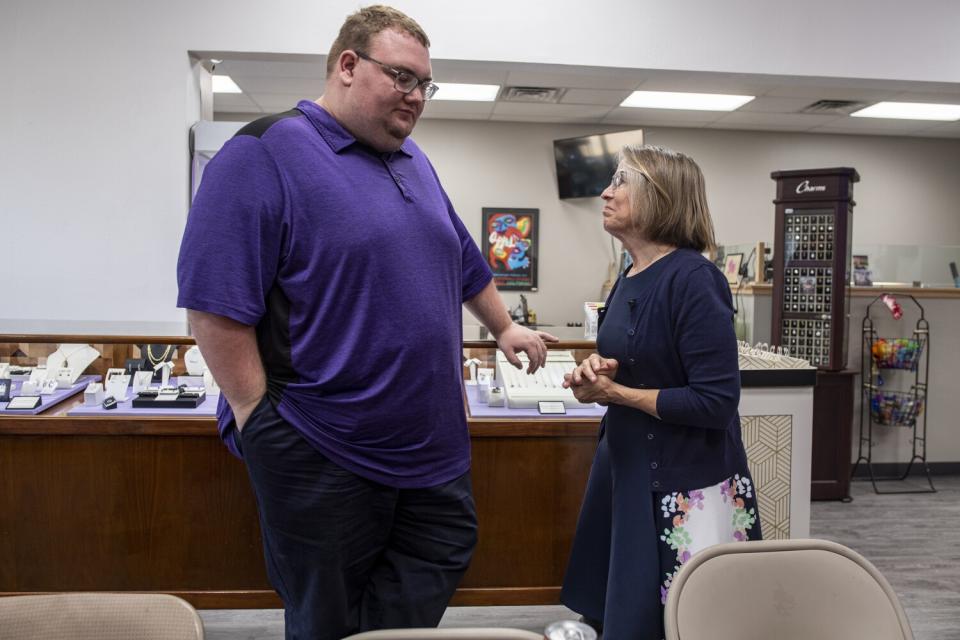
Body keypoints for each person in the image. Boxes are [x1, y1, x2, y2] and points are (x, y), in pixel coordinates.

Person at [176, 6, 556, 639]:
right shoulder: (262, 153)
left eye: (424, 85)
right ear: (347, 65)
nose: (416, 98)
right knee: (326, 615)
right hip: (321, 442)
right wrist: (254, 415)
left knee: (432, 568)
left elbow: (462, 256)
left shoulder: (414, 163)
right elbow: (214, 302)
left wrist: (503, 327)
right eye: (402, 78)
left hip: (431, 448)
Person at [559, 145, 762, 639]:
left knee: (678, 623)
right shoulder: (628, 275)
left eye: (622, 181)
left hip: (680, 485)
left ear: (661, 198)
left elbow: (715, 402)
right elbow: (633, 360)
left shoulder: (695, 279)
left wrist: (619, 393)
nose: (606, 192)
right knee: (618, 615)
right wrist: (596, 375)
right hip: (626, 473)